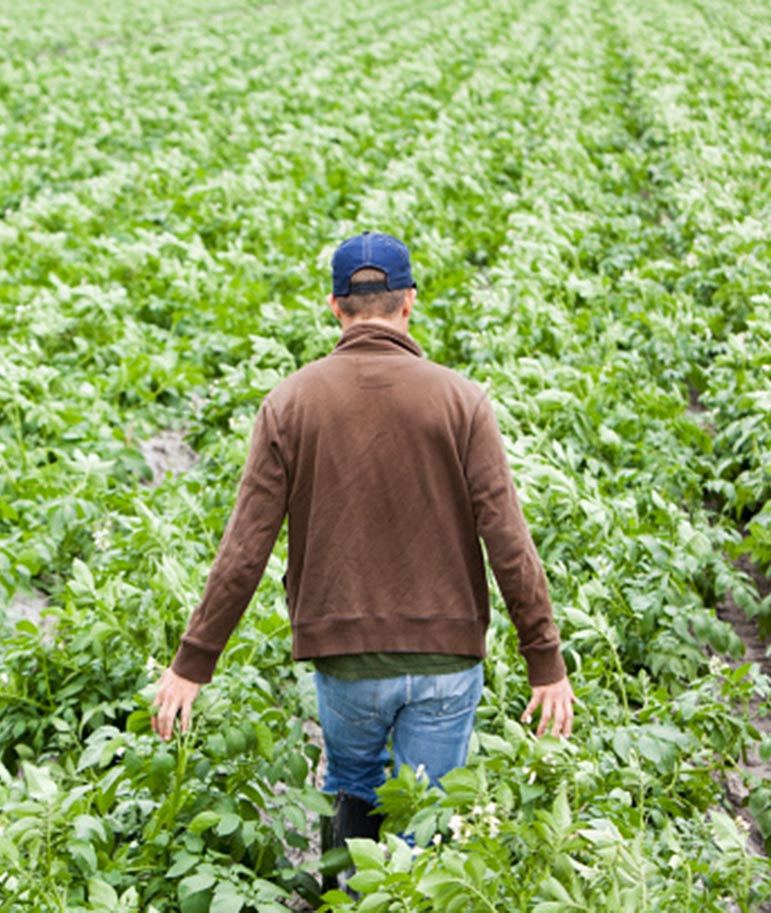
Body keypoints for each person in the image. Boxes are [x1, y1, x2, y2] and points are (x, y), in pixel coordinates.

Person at [149, 230, 577, 856]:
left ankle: (344, 892)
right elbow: (507, 537)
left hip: (344, 657)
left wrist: (193, 663)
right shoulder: (463, 401)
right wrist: (545, 659)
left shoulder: (289, 403)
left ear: (334, 307)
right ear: (409, 302)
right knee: (424, 818)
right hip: (444, 658)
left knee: (351, 784)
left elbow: (246, 548)